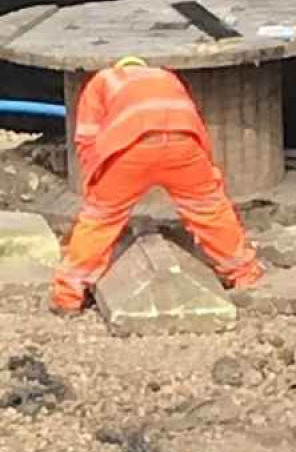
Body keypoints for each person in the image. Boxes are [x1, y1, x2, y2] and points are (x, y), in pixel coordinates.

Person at [50, 56, 263, 315]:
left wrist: (96, 184)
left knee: (100, 219)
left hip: (129, 150)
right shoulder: (167, 77)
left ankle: (68, 296)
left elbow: (86, 138)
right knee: (210, 210)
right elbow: (193, 122)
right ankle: (244, 275)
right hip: (184, 146)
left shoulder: (103, 81)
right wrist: (205, 170)